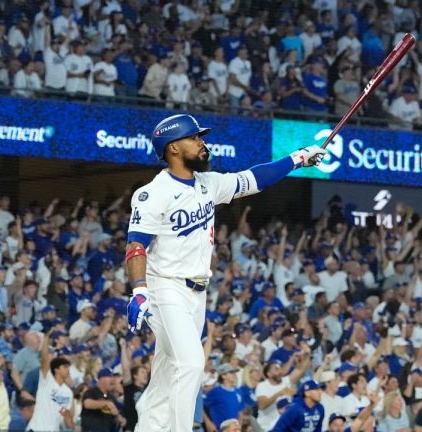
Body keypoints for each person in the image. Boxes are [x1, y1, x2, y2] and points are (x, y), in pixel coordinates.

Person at [125, 113, 325, 432]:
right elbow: (136, 245)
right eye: (194, 138)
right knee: (190, 364)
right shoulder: (154, 193)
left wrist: (298, 158)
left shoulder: (208, 183)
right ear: (173, 148)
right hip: (164, 288)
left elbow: (254, 178)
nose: (202, 143)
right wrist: (138, 290)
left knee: (167, 371)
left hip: (197, 293)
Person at [26, 331, 75, 431]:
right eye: (64, 367)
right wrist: (46, 338)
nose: (68, 369)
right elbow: (44, 361)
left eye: (68, 367)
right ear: (56, 369)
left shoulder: (68, 392)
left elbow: (68, 420)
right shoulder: (47, 381)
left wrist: (70, 421)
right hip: (36, 428)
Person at [203, 364, 245, 429]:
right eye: (231, 372)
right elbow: (201, 407)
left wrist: (239, 427)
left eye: (235, 372)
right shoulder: (215, 391)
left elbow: (240, 412)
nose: (234, 375)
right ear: (223, 376)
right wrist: (208, 423)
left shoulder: (238, 391)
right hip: (219, 429)